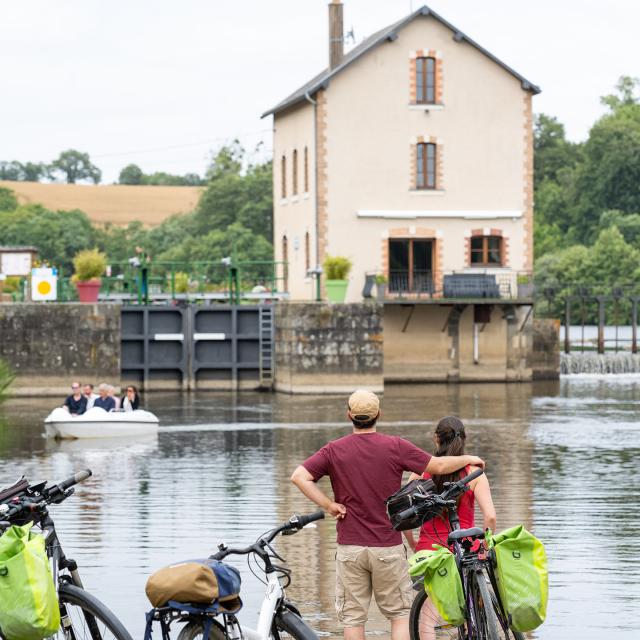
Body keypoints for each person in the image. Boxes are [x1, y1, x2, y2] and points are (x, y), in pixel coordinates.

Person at [290, 390, 485, 640]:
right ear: (378, 415)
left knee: (354, 618)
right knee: (399, 615)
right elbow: (437, 466)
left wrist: (329, 505)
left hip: (350, 546)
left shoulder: (333, 450)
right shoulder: (395, 446)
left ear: (349, 415)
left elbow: (299, 476)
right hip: (387, 547)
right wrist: (469, 457)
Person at [403, 416, 496, 640]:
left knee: (428, 613)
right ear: (464, 439)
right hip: (467, 549)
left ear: (436, 439)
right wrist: (484, 544)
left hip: (430, 551)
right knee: (472, 600)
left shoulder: (420, 473)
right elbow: (490, 517)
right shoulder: (474, 473)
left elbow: (404, 518)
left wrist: (414, 543)